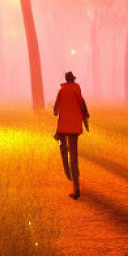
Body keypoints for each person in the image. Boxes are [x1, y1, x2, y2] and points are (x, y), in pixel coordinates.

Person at [54, 71, 90, 200]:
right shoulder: (77, 89)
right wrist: (86, 116)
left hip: (63, 128)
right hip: (75, 127)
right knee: (74, 156)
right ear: (73, 80)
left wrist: (57, 111)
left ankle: (68, 172)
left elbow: (55, 109)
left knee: (63, 149)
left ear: (66, 80)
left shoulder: (62, 91)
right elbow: (81, 103)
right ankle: (76, 188)